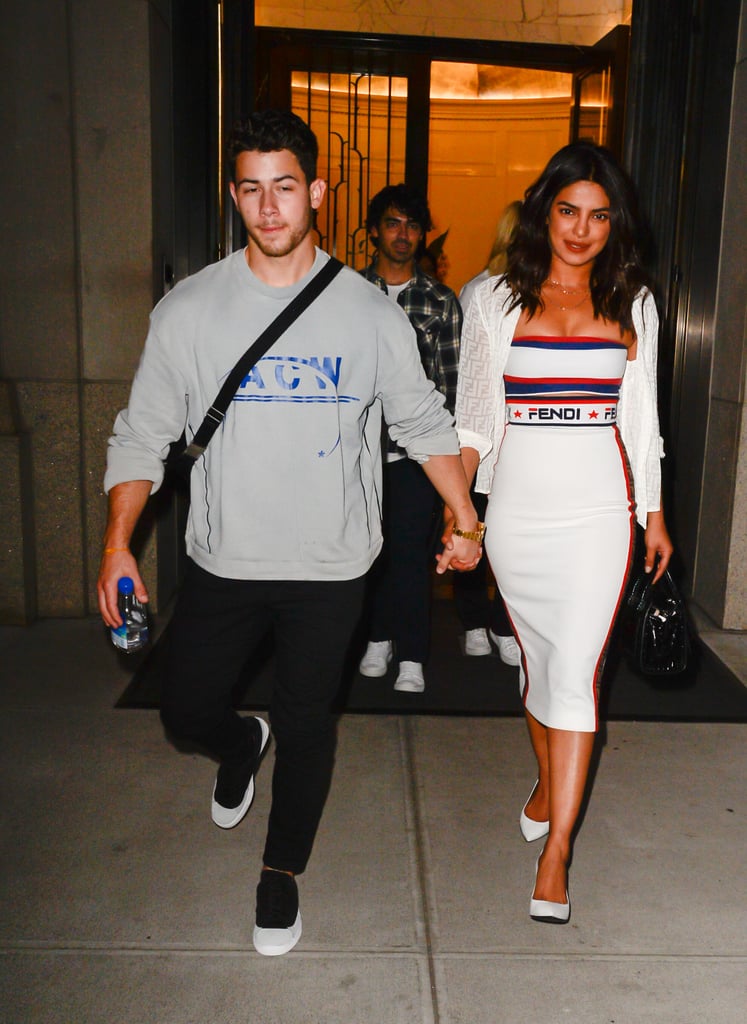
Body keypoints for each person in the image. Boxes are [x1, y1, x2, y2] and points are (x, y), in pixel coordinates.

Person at [97, 110, 482, 957]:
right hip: (226, 561)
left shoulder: (367, 313)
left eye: (284, 187)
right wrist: (118, 542)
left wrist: (463, 515)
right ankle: (241, 744)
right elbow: (142, 433)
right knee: (187, 708)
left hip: (332, 565)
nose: (268, 209)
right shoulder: (189, 309)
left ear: (314, 190)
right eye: (250, 190)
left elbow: (422, 421)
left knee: (310, 719)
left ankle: (281, 874)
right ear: (235, 196)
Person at [452, 141, 673, 923]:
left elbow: (641, 421)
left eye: (598, 215)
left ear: (615, 224)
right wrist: (462, 513)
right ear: (544, 212)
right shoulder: (490, 298)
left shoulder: (634, 303)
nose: (581, 230)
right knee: (539, 664)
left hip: (596, 518)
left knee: (577, 672)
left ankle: (556, 856)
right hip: (517, 516)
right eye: (568, 211)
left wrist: (652, 511)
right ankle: (547, 781)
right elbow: (474, 415)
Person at [358, 184, 462, 693]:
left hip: (415, 454)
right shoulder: (346, 293)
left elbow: (450, 386)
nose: (403, 235)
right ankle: (377, 637)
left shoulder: (440, 300)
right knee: (367, 551)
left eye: (413, 225)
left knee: (409, 553)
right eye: (394, 223)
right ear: (374, 230)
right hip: (355, 453)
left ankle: (413, 655)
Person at [454, 201, 523, 665]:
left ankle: (503, 623)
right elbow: (466, 375)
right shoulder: (478, 291)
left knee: (511, 543)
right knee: (469, 530)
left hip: (520, 449)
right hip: (477, 441)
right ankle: (474, 622)